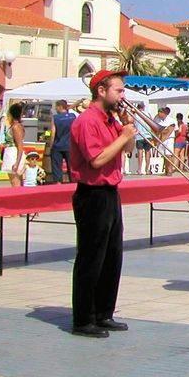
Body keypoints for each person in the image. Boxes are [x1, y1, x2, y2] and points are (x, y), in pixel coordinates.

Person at [68, 70, 136, 337]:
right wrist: (122, 137)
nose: (123, 96)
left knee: (111, 255)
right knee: (91, 257)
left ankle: (104, 312)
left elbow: (127, 150)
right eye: (119, 91)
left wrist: (128, 129)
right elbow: (96, 159)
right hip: (92, 193)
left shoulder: (111, 120)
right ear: (101, 91)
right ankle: (83, 319)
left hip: (110, 191)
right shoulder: (87, 121)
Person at [50, 99, 77, 184]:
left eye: (56, 107)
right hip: (70, 146)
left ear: (59, 107)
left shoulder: (55, 118)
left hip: (58, 146)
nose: (55, 109)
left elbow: (53, 134)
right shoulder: (73, 116)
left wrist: (51, 145)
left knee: (57, 167)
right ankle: (73, 184)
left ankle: (58, 183)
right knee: (72, 167)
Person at [2, 103, 26, 187]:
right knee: (14, 182)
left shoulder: (16, 127)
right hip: (10, 153)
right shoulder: (14, 126)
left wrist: (17, 163)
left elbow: (20, 145)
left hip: (13, 154)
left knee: (15, 182)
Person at [153, 107, 175, 176]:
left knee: (169, 155)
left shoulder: (171, 120)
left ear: (164, 113)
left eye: (161, 112)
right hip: (161, 139)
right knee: (164, 155)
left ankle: (170, 169)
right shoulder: (157, 119)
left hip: (169, 139)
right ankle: (166, 170)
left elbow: (169, 131)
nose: (159, 114)